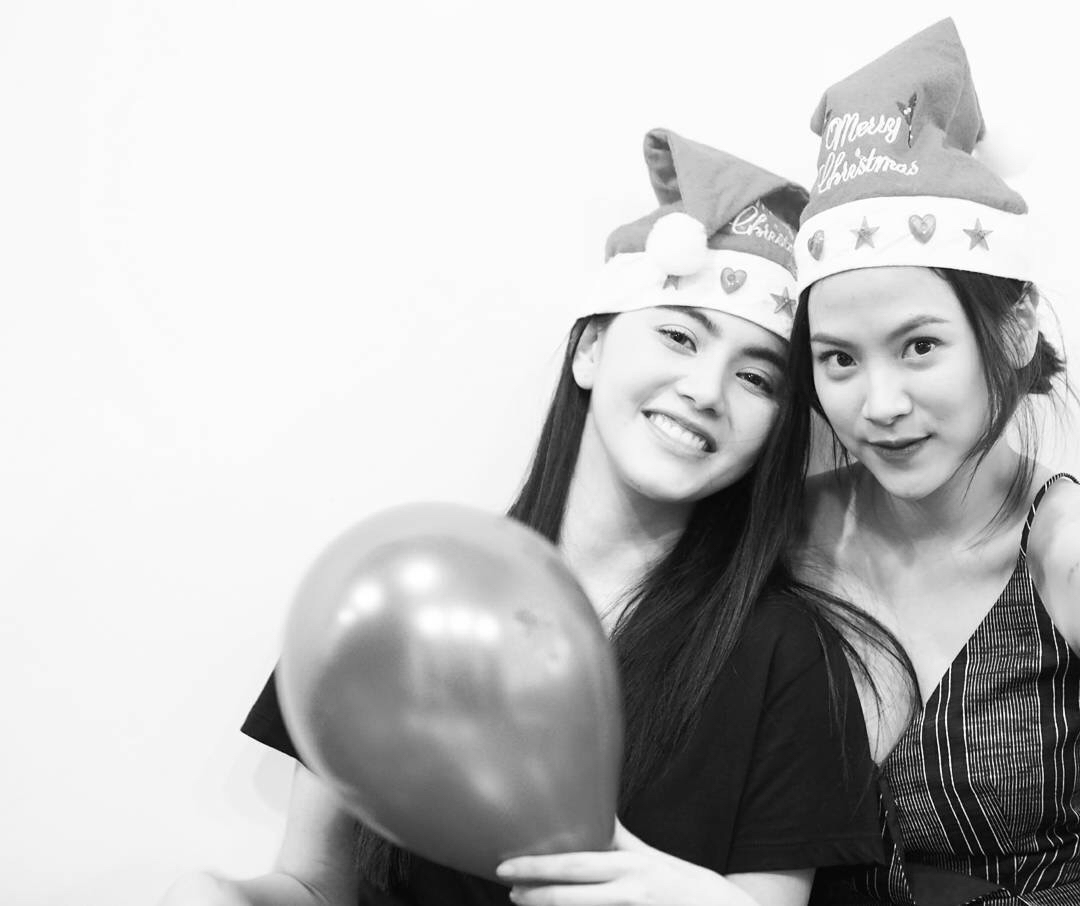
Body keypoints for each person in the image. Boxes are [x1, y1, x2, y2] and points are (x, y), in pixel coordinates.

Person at [161, 130, 906, 906]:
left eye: (758, 378)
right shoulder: (410, 592)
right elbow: (315, 885)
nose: (704, 390)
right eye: (679, 336)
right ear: (591, 349)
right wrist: (222, 895)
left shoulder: (786, 656)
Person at [758, 19, 1080, 906]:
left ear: (1013, 333)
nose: (880, 403)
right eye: (839, 359)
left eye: (920, 346)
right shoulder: (781, 537)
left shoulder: (1061, 551)